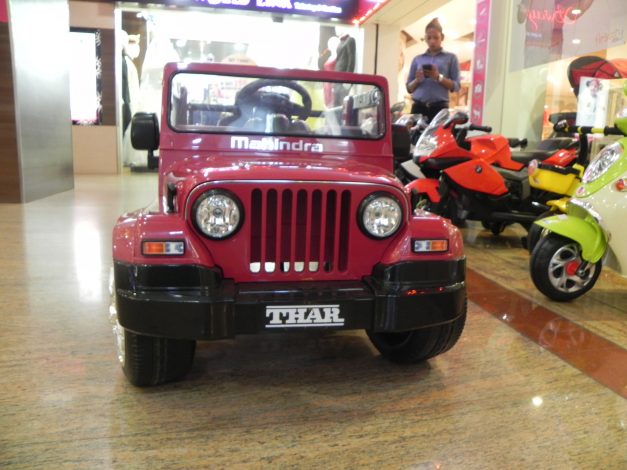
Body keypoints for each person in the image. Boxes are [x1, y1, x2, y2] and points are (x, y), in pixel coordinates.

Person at [406, 18, 460, 122]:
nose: (432, 41)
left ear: (442, 37)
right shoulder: (417, 59)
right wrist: (417, 80)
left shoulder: (451, 58)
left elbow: (456, 86)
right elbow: (409, 88)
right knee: (414, 133)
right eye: (429, 37)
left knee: (438, 133)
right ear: (425, 38)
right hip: (418, 108)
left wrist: (438, 77)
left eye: (436, 37)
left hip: (439, 109)